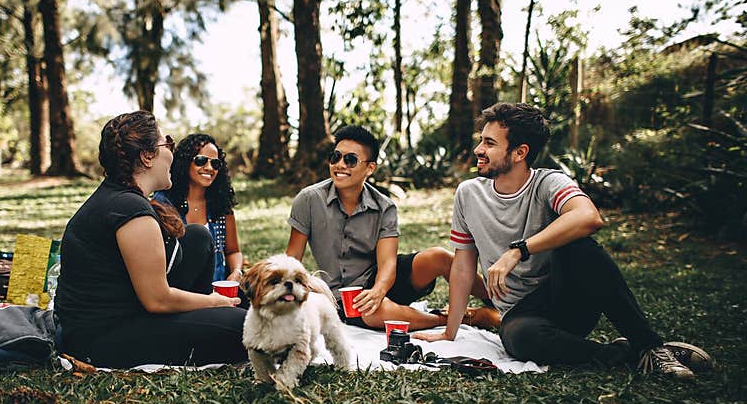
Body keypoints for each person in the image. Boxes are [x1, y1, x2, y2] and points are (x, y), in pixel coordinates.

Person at [414, 102, 712, 379]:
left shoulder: (549, 182)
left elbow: (588, 217)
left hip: (567, 300)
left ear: (520, 152)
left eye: (489, 143)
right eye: (482, 140)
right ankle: (627, 354)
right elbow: (464, 267)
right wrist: (449, 333)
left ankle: (650, 346)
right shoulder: (468, 194)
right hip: (521, 316)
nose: (479, 149)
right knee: (519, 339)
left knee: (581, 247)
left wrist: (518, 250)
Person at [54, 111, 246, 369]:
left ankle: (208, 317)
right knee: (245, 329)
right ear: (146, 156)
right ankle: (213, 317)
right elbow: (157, 300)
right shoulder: (129, 210)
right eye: (167, 143)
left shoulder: (123, 197)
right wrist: (214, 301)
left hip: (129, 309)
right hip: (103, 337)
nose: (172, 152)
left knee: (198, 237)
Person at [285, 124, 499, 331]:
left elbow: (388, 263)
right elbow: (292, 258)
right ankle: (461, 318)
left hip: (381, 279)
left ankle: (499, 304)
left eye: (350, 160)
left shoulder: (384, 207)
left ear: (370, 168)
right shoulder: (309, 200)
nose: (340, 165)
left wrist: (378, 290)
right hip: (342, 296)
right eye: (335, 157)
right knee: (373, 312)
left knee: (439, 257)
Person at [154, 133, 244, 285]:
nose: (209, 168)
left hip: (218, 291)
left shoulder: (221, 205)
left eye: (215, 164)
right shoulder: (163, 203)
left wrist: (236, 272)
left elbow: (233, 251)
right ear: (185, 162)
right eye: (201, 161)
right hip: (180, 293)